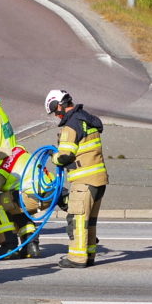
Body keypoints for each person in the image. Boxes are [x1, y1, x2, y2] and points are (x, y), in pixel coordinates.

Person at [46, 88, 109, 268]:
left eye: (54, 111)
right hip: (99, 179)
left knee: (77, 219)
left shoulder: (70, 126)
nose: (56, 116)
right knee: (90, 221)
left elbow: (66, 156)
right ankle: (89, 255)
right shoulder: (87, 119)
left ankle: (77, 258)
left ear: (57, 105)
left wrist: (53, 155)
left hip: (83, 181)